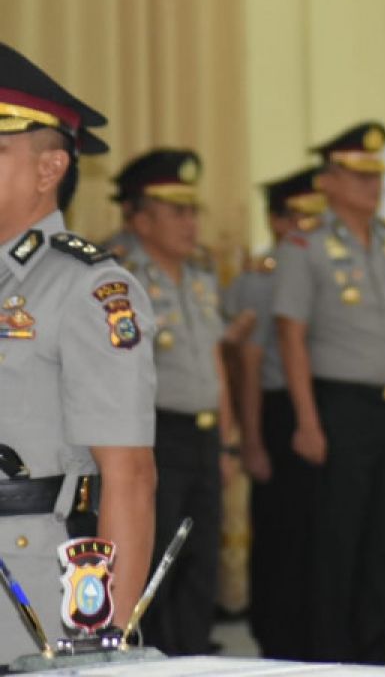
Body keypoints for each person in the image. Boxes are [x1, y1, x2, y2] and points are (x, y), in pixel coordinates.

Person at [0, 42, 156, 664]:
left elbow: (129, 475)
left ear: (49, 169)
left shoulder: (87, 288)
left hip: (30, 579)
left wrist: (104, 636)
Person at [273, 121, 385, 663]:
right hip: (341, 407)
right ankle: (331, 662)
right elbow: (291, 335)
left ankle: (373, 661)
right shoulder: (304, 244)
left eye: (376, 176)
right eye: (358, 176)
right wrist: (307, 421)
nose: (371, 187)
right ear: (328, 180)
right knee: (338, 547)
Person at [117, 148, 236, 655]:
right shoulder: (122, 279)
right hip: (155, 436)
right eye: (176, 211)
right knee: (156, 555)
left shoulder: (201, 276)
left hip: (204, 435)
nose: (190, 223)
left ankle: (192, 654)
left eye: (193, 211)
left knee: (199, 557)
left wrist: (228, 440)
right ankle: (157, 656)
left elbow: (214, 362)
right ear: (139, 218)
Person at [225, 166, 324, 659]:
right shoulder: (261, 279)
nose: (308, 228)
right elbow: (248, 362)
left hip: (316, 407)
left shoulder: (318, 264)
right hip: (275, 411)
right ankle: (277, 639)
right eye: (298, 217)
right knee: (280, 535)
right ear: (277, 220)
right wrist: (252, 439)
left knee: (315, 535)